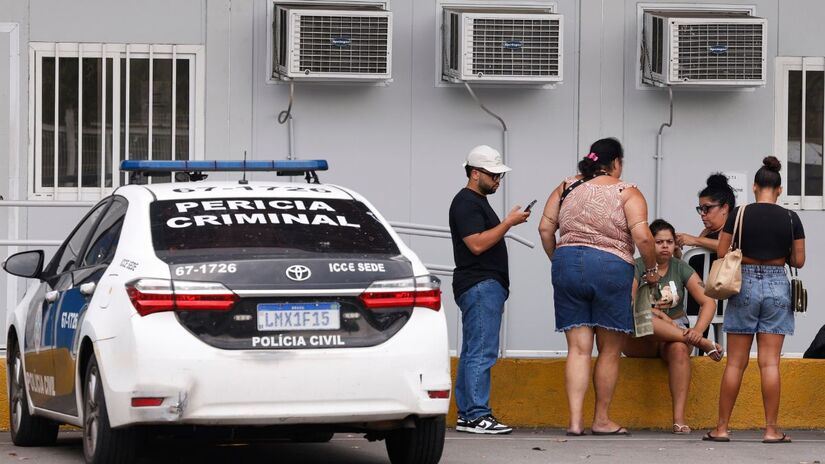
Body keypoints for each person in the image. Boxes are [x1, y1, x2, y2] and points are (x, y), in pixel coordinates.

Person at [538, 137, 658, 436]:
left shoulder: (566, 186)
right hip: (611, 267)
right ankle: (601, 419)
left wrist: (559, 259)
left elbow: (544, 228)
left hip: (567, 263)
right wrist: (652, 270)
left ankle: (575, 422)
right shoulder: (627, 192)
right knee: (608, 350)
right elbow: (643, 237)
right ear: (616, 162)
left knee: (578, 350)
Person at [704, 156, 805, 444]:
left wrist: (746, 256)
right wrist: (776, 258)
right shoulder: (790, 217)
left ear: (754, 187)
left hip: (743, 284)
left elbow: (722, 252)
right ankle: (772, 430)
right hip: (777, 286)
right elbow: (799, 259)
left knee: (735, 363)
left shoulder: (739, 214)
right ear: (780, 190)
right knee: (770, 364)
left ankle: (721, 428)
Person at [449, 145, 531, 434]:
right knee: (482, 351)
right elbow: (477, 243)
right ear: (474, 174)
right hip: (480, 284)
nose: (498, 180)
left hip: (481, 285)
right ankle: (475, 415)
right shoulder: (466, 203)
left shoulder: (473, 202)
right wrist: (508, 223)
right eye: (493, 175)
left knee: (474, 349)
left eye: (500, 176)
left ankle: (468, 414)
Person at [623, 219, 722, 435]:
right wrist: (660, 315)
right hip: (643, 335)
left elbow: (708, 302)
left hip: (675, 335)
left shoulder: (680, 268)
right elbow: (630, 306)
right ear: (649, 244)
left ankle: (678, 419)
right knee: (643, 316)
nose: (665, 246)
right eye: (659, 242)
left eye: (669, 241)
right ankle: (702, 343)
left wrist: (696, 331)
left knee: (678, 348)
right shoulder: (636, 266)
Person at [676, 173, 737, 254]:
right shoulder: (706, 232)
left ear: (724, 208)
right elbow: (695, 265)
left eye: (706, 208)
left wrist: (695, 240)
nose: (702, 213)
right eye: (701, 209)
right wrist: (677, 252)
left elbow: (728, 248)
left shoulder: (735, 229)